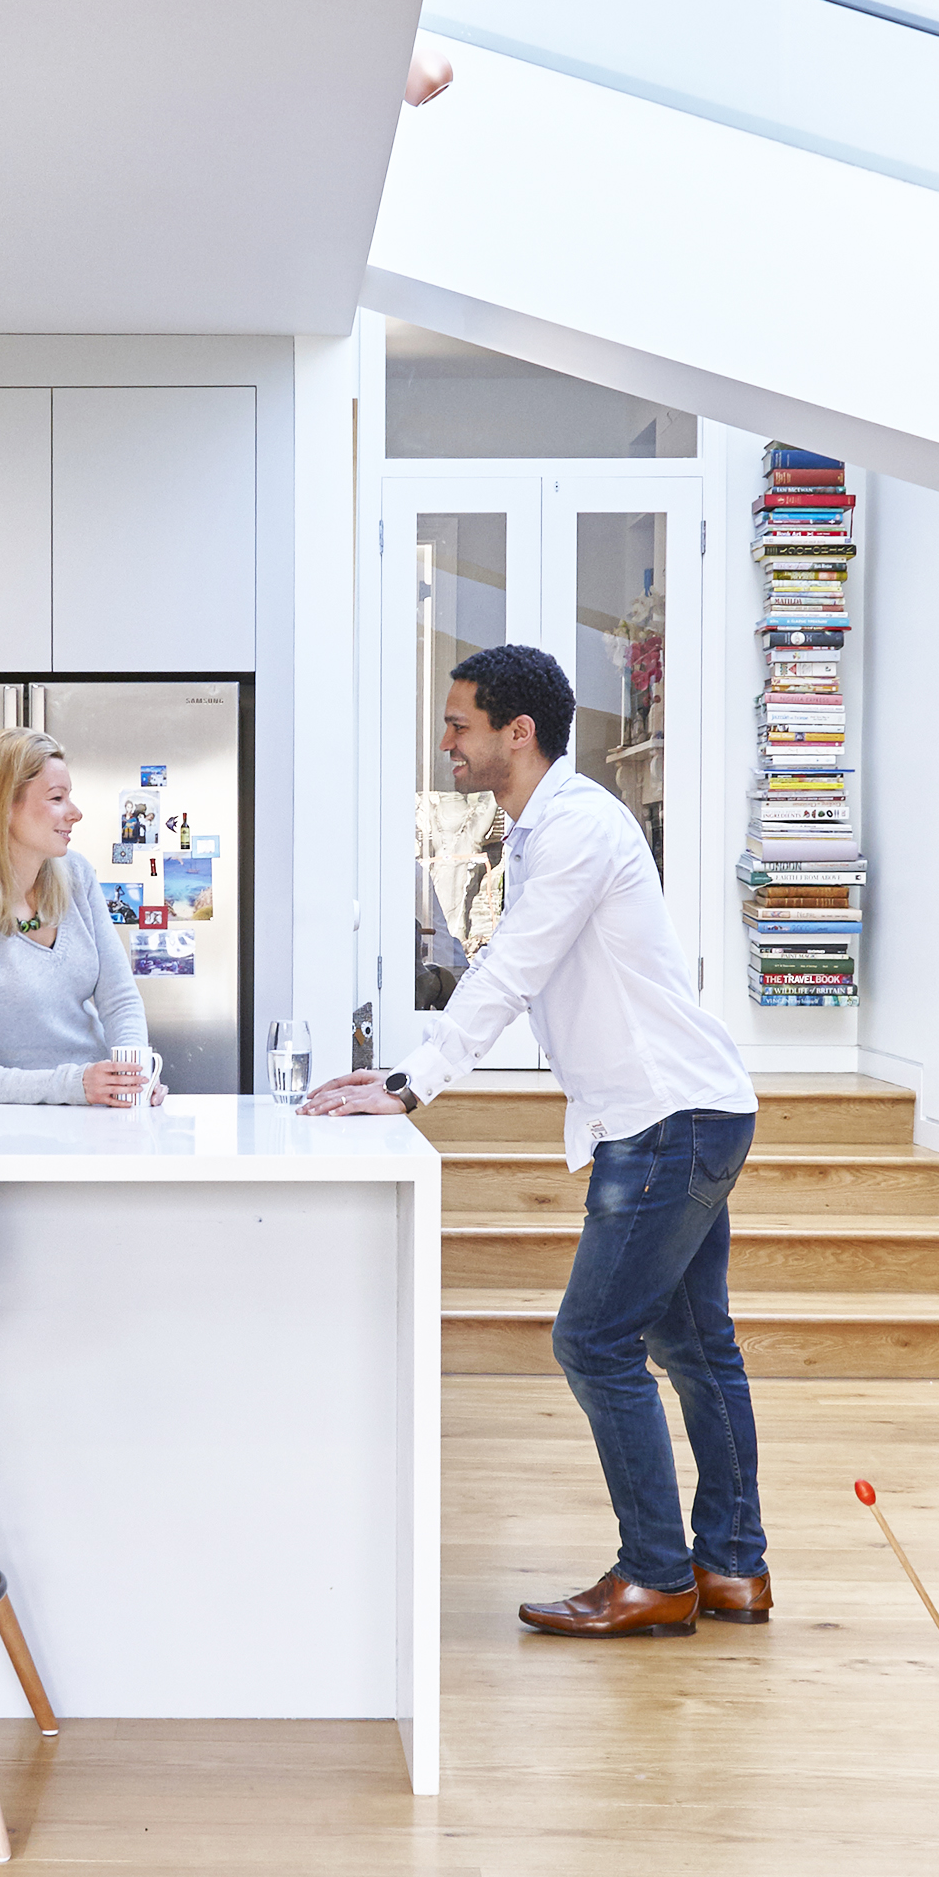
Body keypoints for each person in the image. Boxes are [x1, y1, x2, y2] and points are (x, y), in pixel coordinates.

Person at [305, 645, 767, 1639]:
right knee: (692, 1344)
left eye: (460, 722)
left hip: (666, 1116)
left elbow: (512, 967)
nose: (446, 741)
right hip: (682, 1105)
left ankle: (656, 1574)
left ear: (518, 732)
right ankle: (731, 1567)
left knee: (594, 1340)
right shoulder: (540, 830)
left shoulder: (578, 828)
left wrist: (410, 1082)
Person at [0, 728, 152, 1107]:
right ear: (2, 808)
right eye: (57, 798)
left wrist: (130, 1077)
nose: (75, 813)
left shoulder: (77, 877)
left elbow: (120, 1000)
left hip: (93, 1112)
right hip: (5, 1127)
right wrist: (75, 1085)